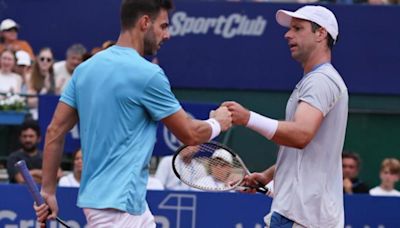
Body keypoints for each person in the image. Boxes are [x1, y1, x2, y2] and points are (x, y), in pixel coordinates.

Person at [34, 0, 232, 227]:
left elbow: (55, 130)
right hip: (119, 210)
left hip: (123, 205)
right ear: (145, 22)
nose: (167, 35)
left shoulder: (85, 70)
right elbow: (190, 134)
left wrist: (48, 190)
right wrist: (218, 122)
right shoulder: (148, 74)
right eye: (164, 26)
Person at [223, 5, 348, 228]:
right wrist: (270, 175)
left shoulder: (321, 81)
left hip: (303, 216)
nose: (288, 34)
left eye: (298, 28)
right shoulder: (315, 80)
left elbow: (300, 135)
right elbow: (307, 151)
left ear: (321, 34)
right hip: (300, 212)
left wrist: (247, 118)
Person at [27, 47, 56, 119]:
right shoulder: (30, 77)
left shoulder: (55, 77)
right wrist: (45, 89)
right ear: (37, 59)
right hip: (34, 116)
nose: (45, 61)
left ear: (52, 62)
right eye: (42, 59)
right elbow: (30, 103)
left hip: (51, 114)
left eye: (48, 60)